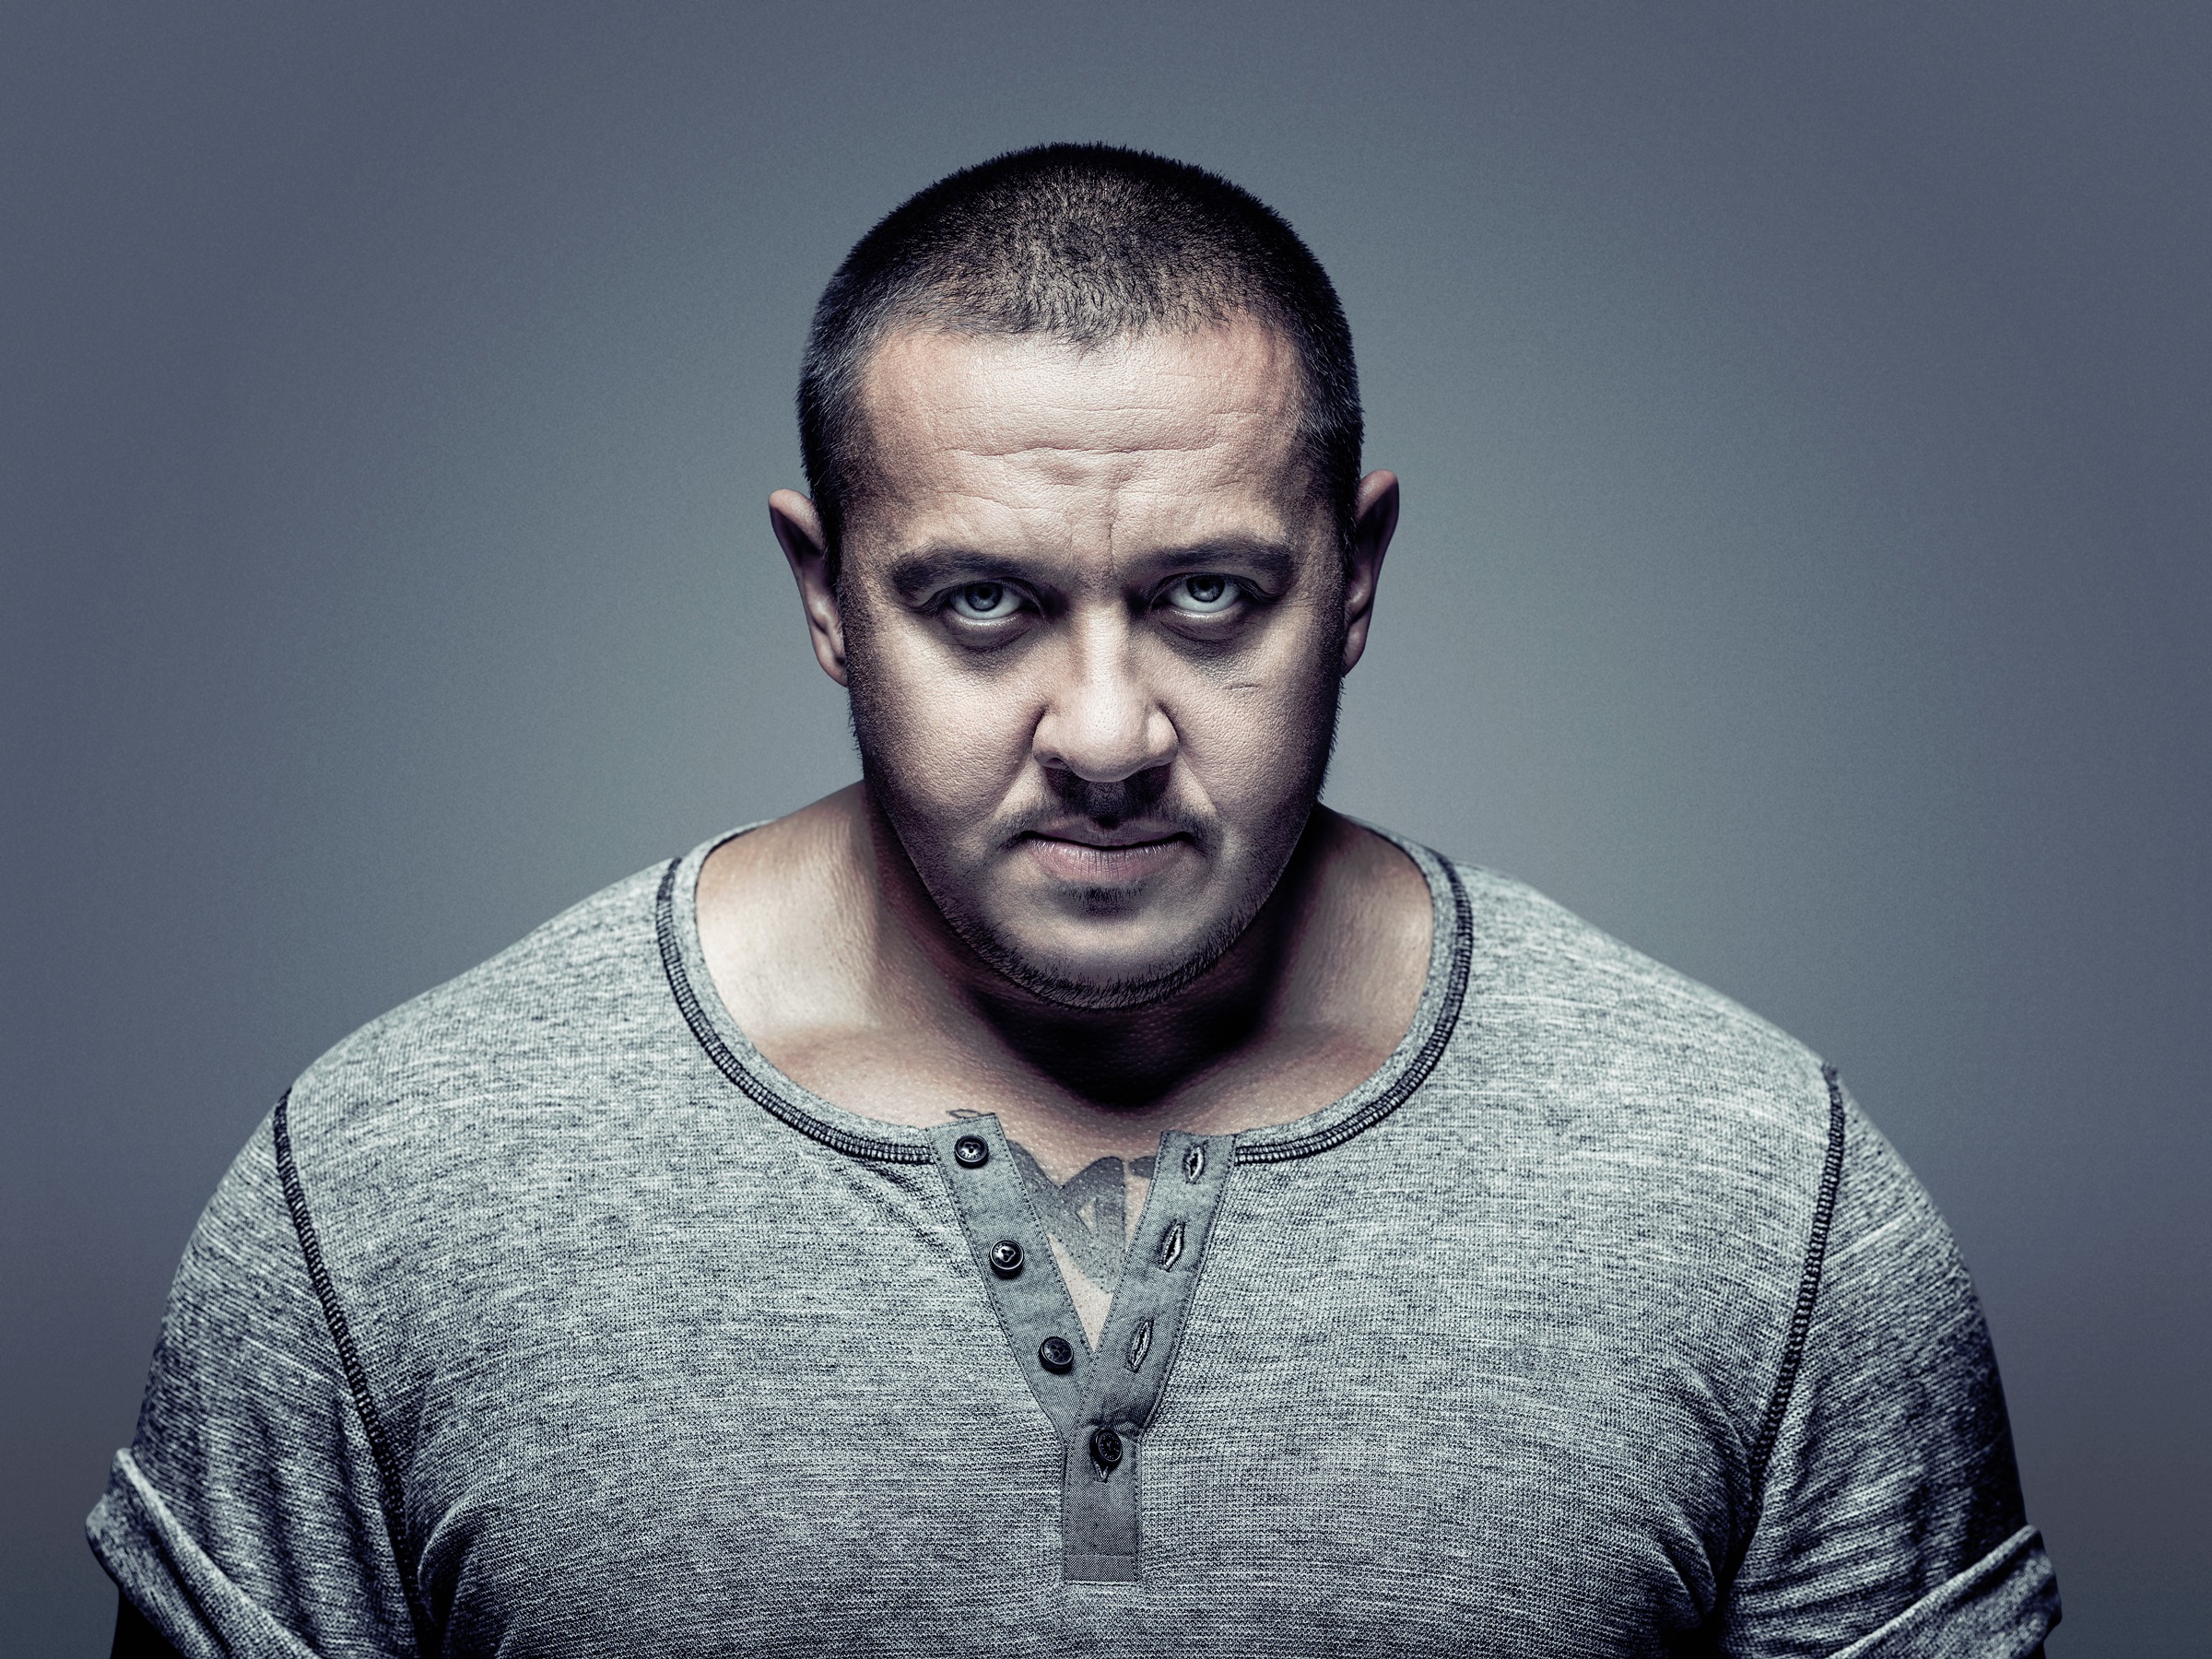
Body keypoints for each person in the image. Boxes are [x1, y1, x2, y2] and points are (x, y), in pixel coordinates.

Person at [90, 143, 2058, 1658]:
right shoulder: (389, 1196)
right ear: (824, 596)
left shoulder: (1753, 1194)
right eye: (982, 602)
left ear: (1355, 576)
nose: (1108, 731)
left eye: (1209, 594)